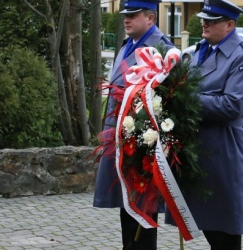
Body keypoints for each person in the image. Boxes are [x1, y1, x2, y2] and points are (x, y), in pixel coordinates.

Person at [166, 0, 243, 249]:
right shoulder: (201, 50)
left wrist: (185, 97)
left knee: (224, 231)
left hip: (223, 150)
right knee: (208, 225)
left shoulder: (242, 58)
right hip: (200, 148)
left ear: (230, 25)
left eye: (213, 20)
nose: (204, 23)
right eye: (204, 18)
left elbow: (233, 105)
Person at [92, 1, 173, 249]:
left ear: (150, 18)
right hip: (123, 142)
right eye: (125, 14)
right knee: (127, 210)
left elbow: (167, 100)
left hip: (141, 147)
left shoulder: (160, 49)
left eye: (133, 15)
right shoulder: (130, 44)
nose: (126, 19)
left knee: (142, 215)